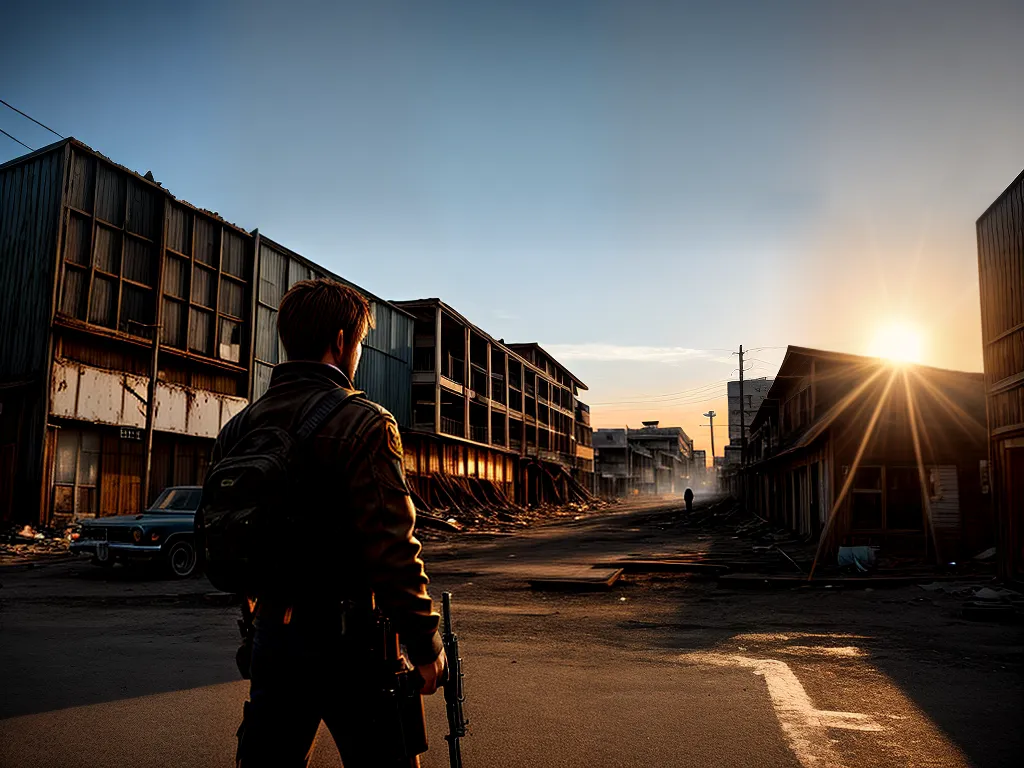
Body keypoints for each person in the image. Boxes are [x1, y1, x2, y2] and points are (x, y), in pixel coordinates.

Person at [204, 278, 445, 767]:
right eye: (357, 343)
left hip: (271, 637)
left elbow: (229, 535)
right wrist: (425, 643)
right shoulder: (365, 422)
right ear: (340, 341)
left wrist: (258, 624)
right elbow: (392, 548)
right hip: (353, 645)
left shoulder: (239, 428)